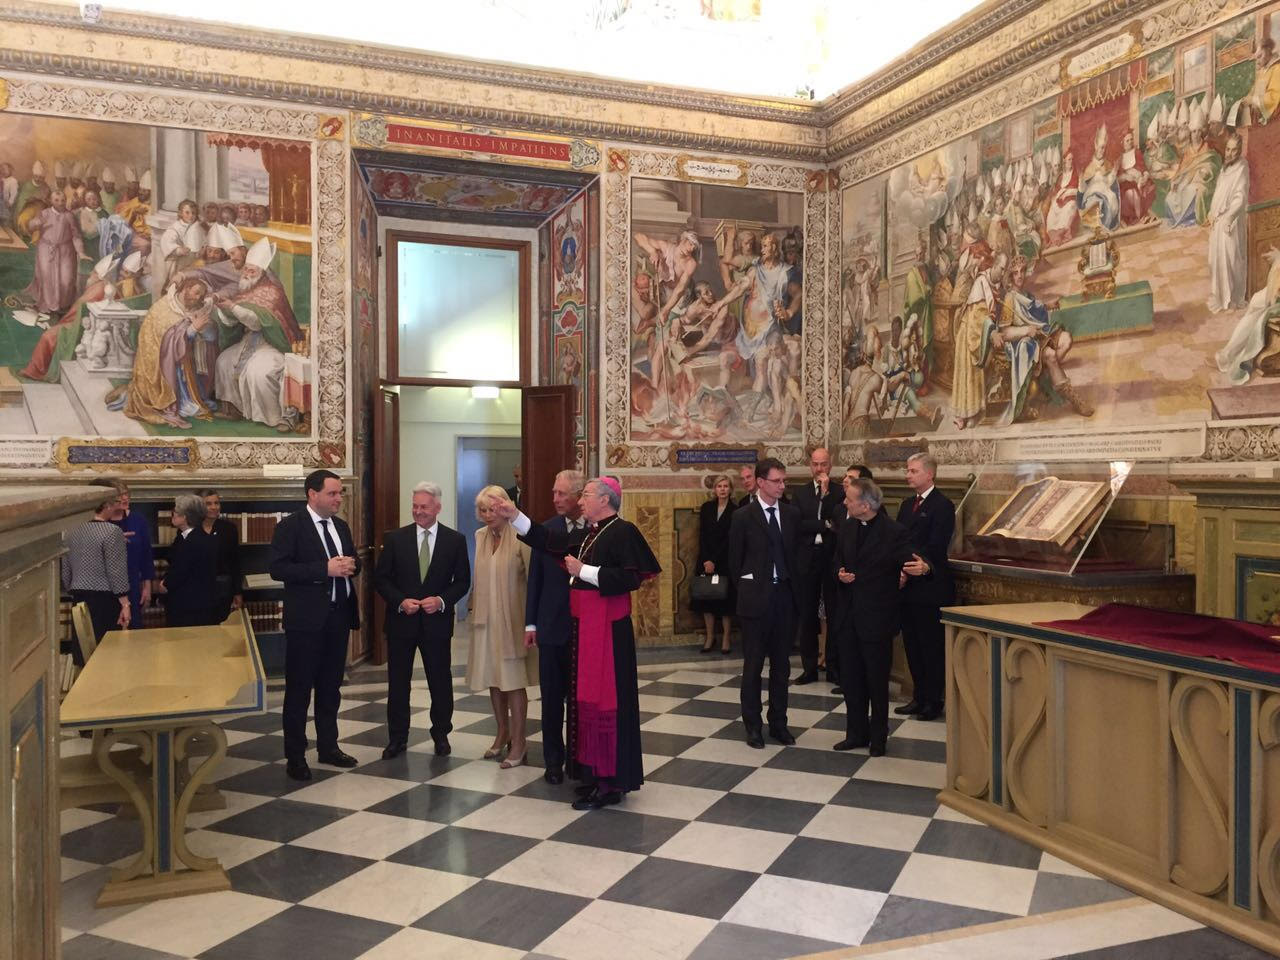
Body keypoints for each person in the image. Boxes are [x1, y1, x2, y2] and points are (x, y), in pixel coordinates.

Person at [497, 476, 660, 810]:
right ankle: (593, 776)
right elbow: (550, 541)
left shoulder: (623, 531)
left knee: (607, 703)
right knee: (586, 702)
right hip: (586, 629)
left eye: (586, 495)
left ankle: (611, 783)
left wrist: (584, 571)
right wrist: (515, 516)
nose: (580, 501)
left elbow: (631, 578)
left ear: (605, 499)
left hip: (609, 634)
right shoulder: (590, 533)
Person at [269, 469, 360, 781]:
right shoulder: (290, 526)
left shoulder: (341, 526)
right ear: (312, 494)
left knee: (330, 688)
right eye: (332, 493)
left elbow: (352, 562)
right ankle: (295, 756)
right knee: (299, 691)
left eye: (340, 493)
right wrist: (324, 569)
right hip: (306, 622)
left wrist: (352, 565)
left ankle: (329, 747)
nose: (338, 499)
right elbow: (278, 569)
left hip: (338, 618)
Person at [375, 481, 470, 759]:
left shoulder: (454, 540)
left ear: (437, 507)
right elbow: (382, 579)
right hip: (401, 623)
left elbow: (462, 581)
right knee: (398, 683)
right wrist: (400, 601)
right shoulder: (395, 539)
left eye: (424, 507)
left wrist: (441, 601)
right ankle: (397, 738)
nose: (418, 511)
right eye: (415, 506)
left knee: (440, 682)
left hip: (436, 624)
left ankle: (441, 734)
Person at [830, 477, 916, 756]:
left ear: (865, 505)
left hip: (877, 618)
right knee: (851, 680)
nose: (845, 502)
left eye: (849, 499)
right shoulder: (847, 527)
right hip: (848, 616)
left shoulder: (894, 532)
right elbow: (837, 560)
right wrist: (840, 573)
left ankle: (879, 737)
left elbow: (912, 560)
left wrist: (924, 568)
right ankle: (855, 733)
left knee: (877, 682)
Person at [728, 457, 801, 749]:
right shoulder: (743, 516)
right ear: (761, 482)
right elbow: (735, 561)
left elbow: (795, 556)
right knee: (753, 666)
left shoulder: (792, 514)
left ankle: (779, 723)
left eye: (784, 481)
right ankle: (753, 726)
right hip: (755, 600)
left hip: (785, 598)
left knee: (782, 667)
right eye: (776, 481)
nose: (782, 486)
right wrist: (750, 588)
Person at [524, 469, 589, 784]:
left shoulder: (594, 530)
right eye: (554, 492)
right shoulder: (546, 530)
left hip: (584, 628)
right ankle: (553, 761)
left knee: (580, 700)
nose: (556, 499)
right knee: (551, 699)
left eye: (562, 493)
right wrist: (530, 623)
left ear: (578, 496)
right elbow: (534, 580)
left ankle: (579, 760)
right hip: (550, 627)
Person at [468, 486, 537, 767]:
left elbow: (533, 579)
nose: (487, 515)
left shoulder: (521, 536)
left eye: (493, 509)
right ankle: (502, 732)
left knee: (513, 681)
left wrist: (533, 622)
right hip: (485, 620)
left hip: (513, 620)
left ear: (505, 508)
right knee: (493, 679)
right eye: (483, 510)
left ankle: (519, 742)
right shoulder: (480, 536)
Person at [213, 237, 304, 431]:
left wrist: (233, 307)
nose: (246, 274)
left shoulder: (272, 292)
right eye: (246, 269)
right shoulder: (245, 291)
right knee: (223, 361)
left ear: (262, 274)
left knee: (259, 372)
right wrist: (224, 310)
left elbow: (256, 322)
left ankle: (272, 417)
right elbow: (234, 322)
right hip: (249, 342)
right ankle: (235, 409)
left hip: (273, 344)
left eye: (251, 271)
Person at [895, 453, 956, 722]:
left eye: (913, 471)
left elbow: (936, 545)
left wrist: (923, 565)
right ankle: (918, 696)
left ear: (929, 474)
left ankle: (933, 700)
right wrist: (901, 568)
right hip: (907, 585)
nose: (908, 475)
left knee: (930, 646)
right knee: (912, 644)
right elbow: (899, 539)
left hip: (930, 586)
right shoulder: (907, 504)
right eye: (907, 470)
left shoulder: (942, 505)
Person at [62, 480, 130, 664]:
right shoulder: (112, 531)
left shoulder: (70, 530)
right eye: (114, 502)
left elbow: (66, 571)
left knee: (83, 652)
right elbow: (116, 571)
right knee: (108, 654)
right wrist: (125, 603)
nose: (115, 506)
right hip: (105, 600)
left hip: (78, 597)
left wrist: (73, 588)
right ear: (106, 505)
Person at [790, 447, 842, 684]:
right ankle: (809, 668)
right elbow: (797, 523)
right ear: (809, 465)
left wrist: (826, 494)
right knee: (807, 615)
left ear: (830, 465)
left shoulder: (839, 492)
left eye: (823, 464)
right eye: (815, 464)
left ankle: (833, 667)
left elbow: (838, 521)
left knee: (833, 613)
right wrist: (824, 525)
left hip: (831, 558)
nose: (819, 468)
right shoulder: (800, 493)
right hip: (807, 559)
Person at [23, 189, 89, 315]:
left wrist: (80, 252)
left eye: (63, 200)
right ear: (51, 201)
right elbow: (30, 227)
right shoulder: (45, 213)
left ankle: (63, 305)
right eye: (57, 200)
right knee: (47, 277)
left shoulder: (69, 216)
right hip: (46, 249)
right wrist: (36, 223)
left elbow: (76, 236)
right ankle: (48, 305)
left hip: (66, 250)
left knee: (66, 280)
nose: (60, 203)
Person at [159, 494, 219, 628]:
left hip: (190, 609)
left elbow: (180, 570)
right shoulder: (185, 537)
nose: (173, 514)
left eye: (176, 511)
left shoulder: (193, 541)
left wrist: (165, 584)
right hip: (189, 604)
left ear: (185, 517)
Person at [693, 474, 737, 655]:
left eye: (726, 486)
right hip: (705, 560)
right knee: (706, 600)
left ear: (730, 489)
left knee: (725, 602)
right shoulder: (707, 508)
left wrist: (715, 560)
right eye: (719, 486)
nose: (723, 489)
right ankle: (710, 637)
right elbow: (702, 535)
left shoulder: (735, 511)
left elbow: (730, 539)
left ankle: (726, 638)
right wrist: (707, 560)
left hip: (724, 561)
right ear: (714, 489)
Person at [1207, 134, 1249, 314]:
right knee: (1215, 259)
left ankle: (1232, 299)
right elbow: (1219, 192)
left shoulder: (1242, 167)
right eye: (1228, 149)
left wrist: (1229, 218)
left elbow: (1240, 198)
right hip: (1218, 220)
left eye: (1234, 150)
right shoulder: (1225, 168)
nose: (1230, 153)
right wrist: (1212, 212)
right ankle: (1221, 296)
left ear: (1239, 151)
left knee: (1231, 260)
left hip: (1231, 222)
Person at [111, 481, 154, 629]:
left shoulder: (138, 520)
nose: (124, 498)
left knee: (133, 629)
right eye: (119, 495)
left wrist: (147, 587)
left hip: (133, 584)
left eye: (126, 494)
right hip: (108, 587)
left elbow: (146, 555)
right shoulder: (101, 522)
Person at [198, 489, 242, 621]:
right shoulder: (191, 528)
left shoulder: (229, 529)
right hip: (197, 590)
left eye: (216, 503)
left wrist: (237, 592)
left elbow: (235, 562)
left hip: (222, 590)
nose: (214, 507)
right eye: (208, 504)